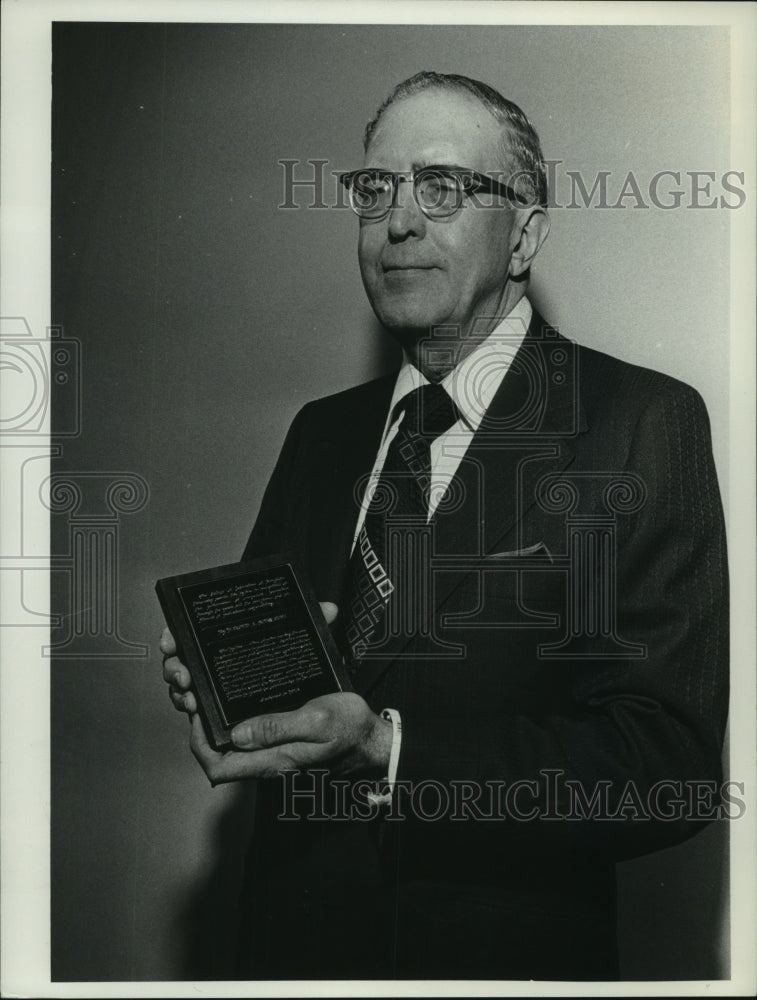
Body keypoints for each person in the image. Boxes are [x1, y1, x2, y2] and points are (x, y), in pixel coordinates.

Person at [160, 72, 728, 980]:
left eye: (443, 188)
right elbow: (300, 689)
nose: (396, 224)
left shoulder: (636, 422)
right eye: (373, 190)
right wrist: (227, 683)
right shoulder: (322, 433)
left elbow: (667, 768)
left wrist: (388, 751)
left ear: (526, 235)